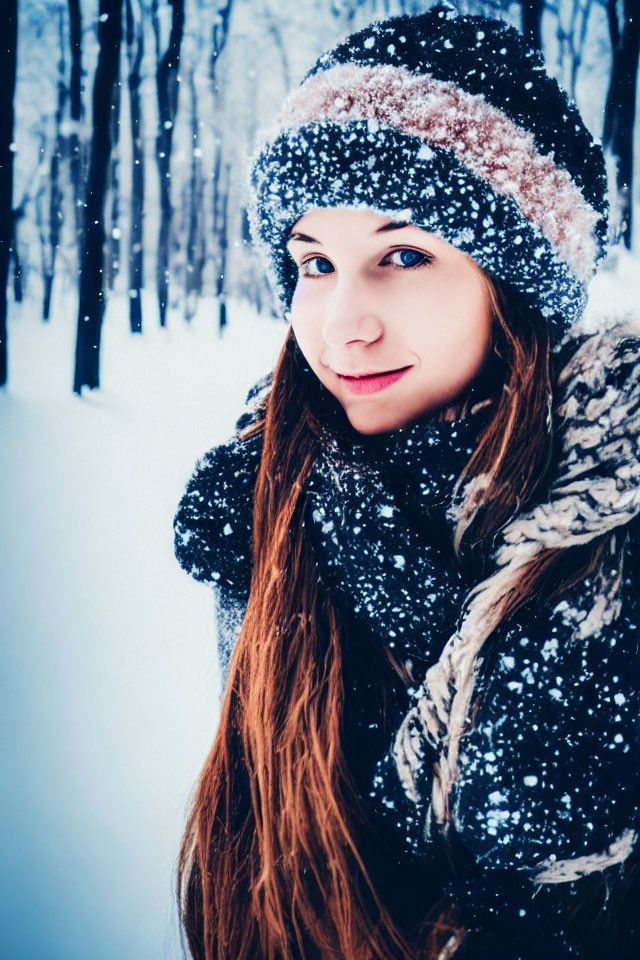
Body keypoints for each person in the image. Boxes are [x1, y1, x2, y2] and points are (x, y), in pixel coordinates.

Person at [173, 6, 640, 959]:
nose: (344, 323)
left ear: (515, 282)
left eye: (404, 255)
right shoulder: (273, 510)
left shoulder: (615, 523)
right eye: (315, 262)